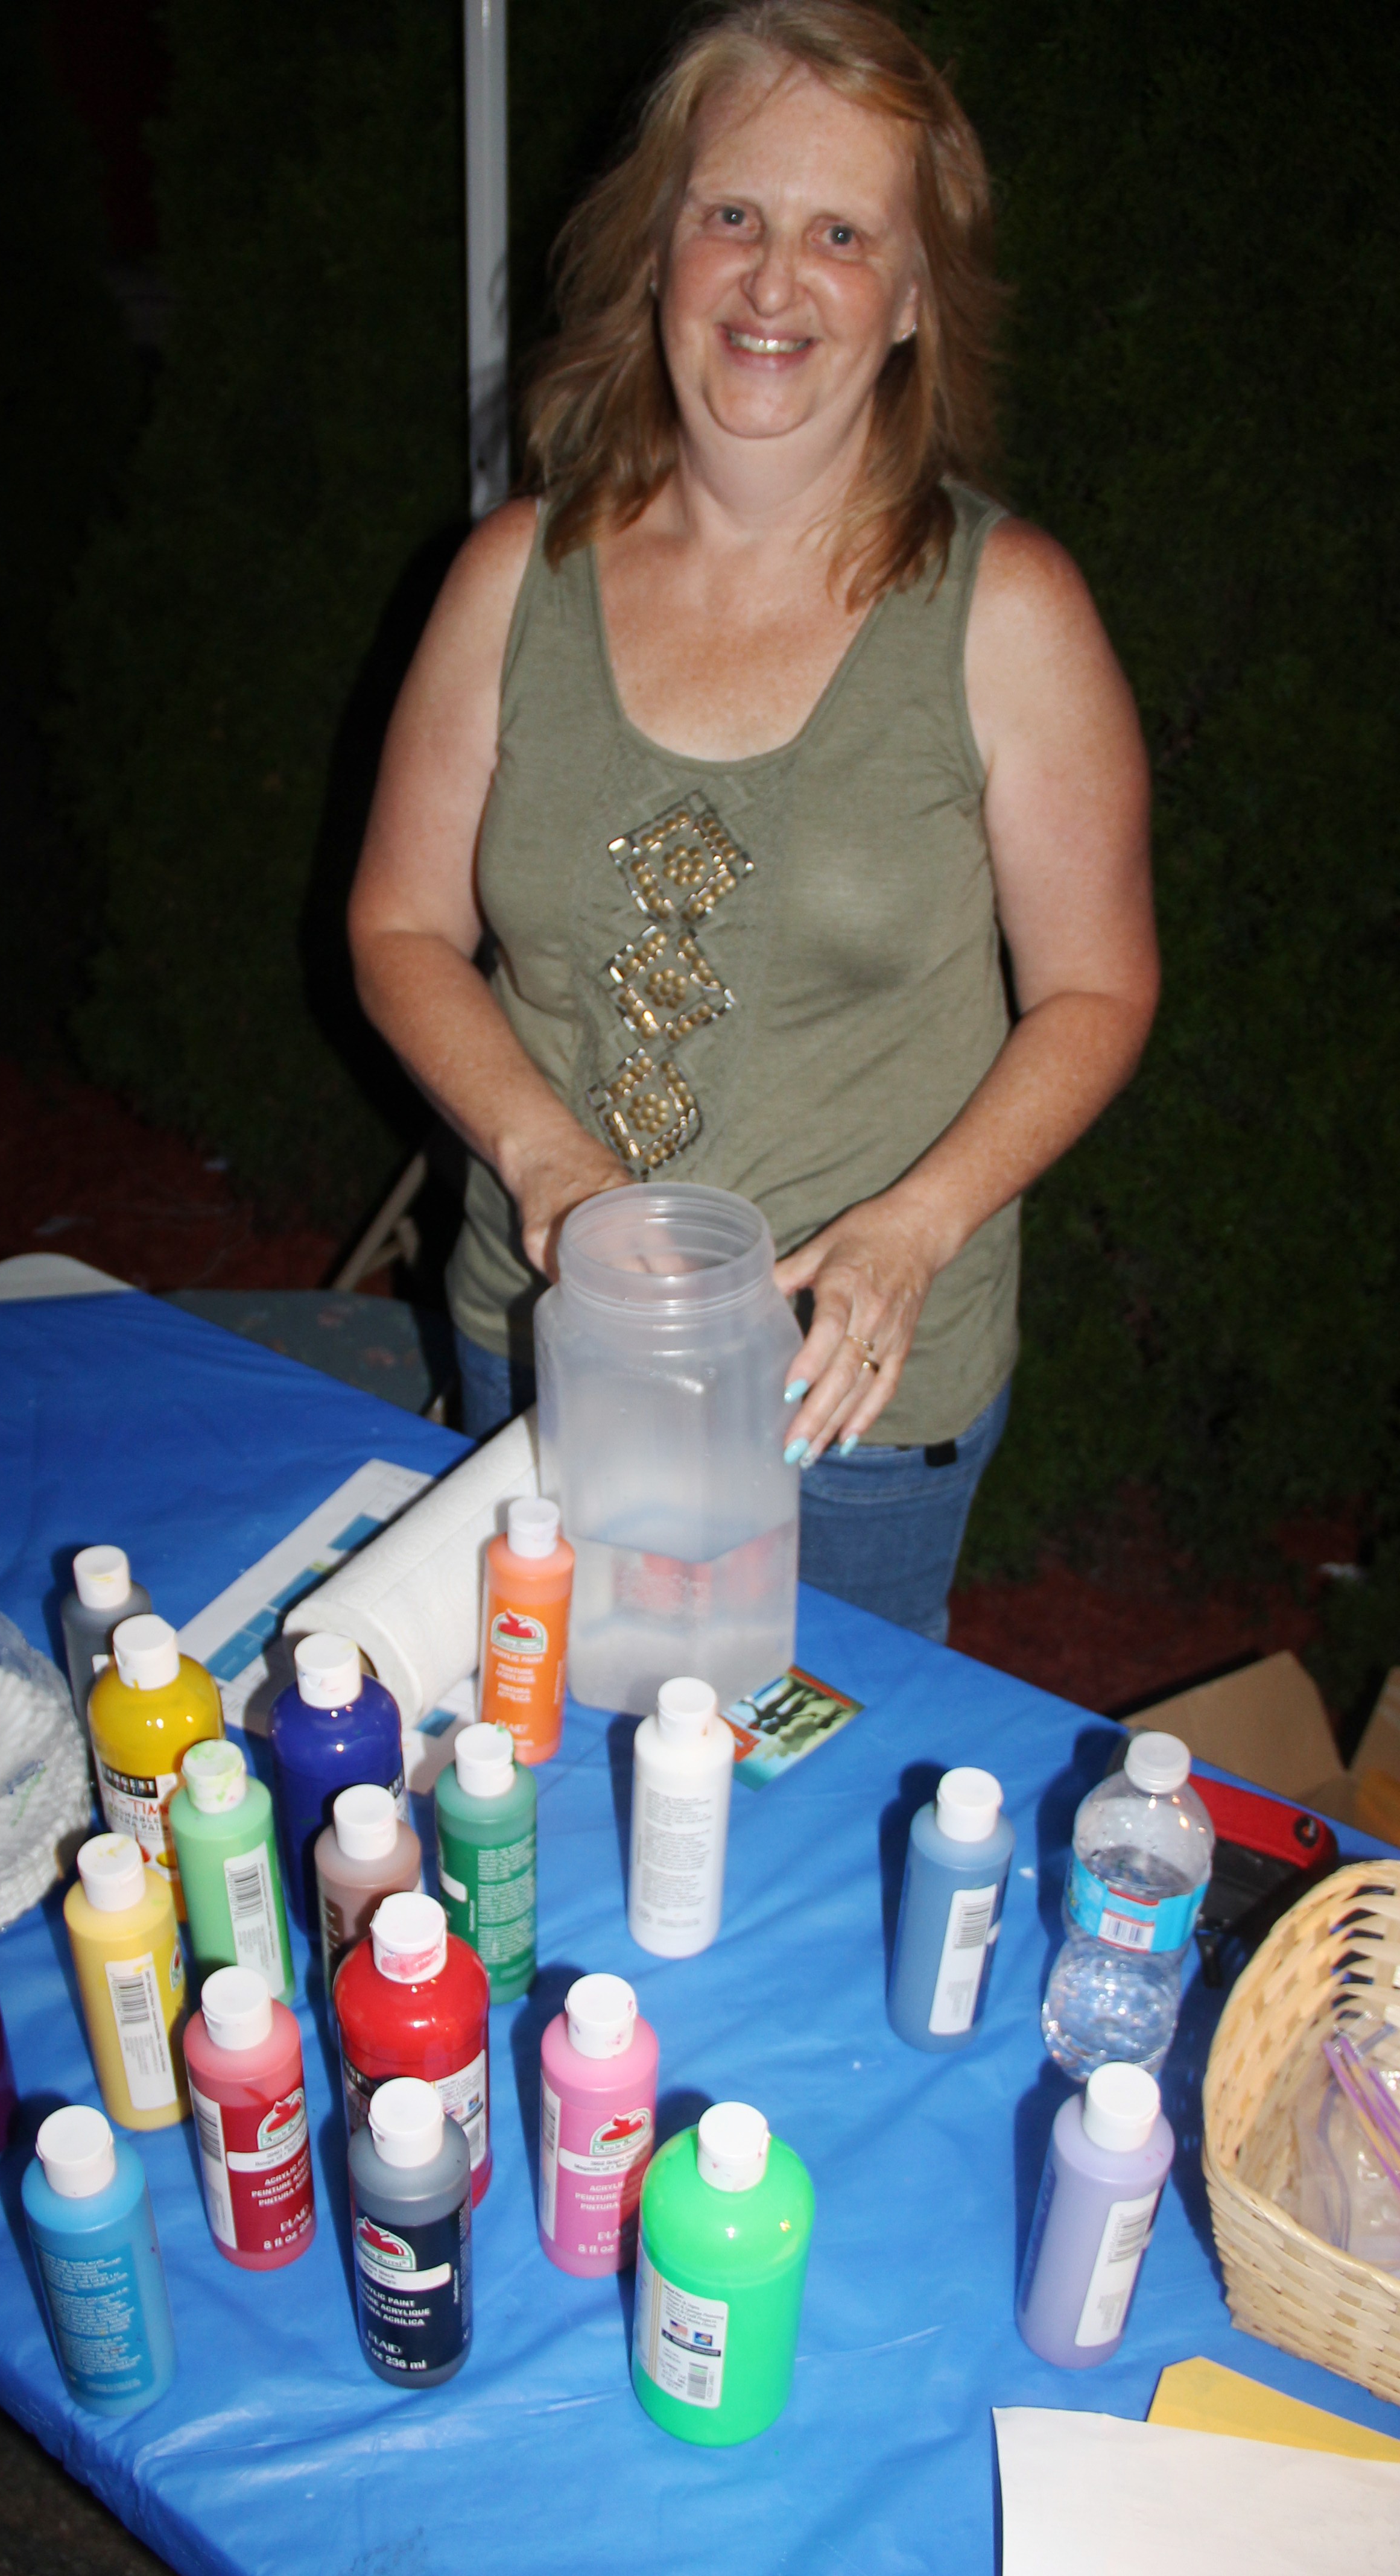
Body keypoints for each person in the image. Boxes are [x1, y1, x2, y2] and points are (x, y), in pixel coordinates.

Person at [347, 0, 1158, 1643]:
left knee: (803, 1780)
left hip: (842, 1401)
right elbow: (398, 925)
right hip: (542, 1349)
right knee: (525, 1743)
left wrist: (912, 1234)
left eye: (842, 234)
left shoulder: (1009, 613)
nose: (774, 281)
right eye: (732, 213)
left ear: (914, 297)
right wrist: (548, 1163)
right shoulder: (510, 579)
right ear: (660, 248)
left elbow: (1100, 987)